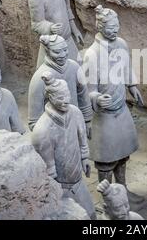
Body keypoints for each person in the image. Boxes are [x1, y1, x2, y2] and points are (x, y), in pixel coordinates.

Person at [83, 5, 144, 205]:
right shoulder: (92, 55)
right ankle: (107, 199)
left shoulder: (121, 44)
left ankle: (123, 190)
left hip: (120, 110)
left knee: (122, 152)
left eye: (117, 26)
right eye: (110, 27)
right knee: (106, 159)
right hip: (104, 115)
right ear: (99, 26)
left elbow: (126, 68)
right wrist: (96, 98)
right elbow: (87, 88)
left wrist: (132, 85)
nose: (115, 30)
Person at [31, 73, 95, 219]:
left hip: (78, 181)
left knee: (91, 214)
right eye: (60, 98)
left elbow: (82, 137)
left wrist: (85, 158)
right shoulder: (42, 131)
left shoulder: (75, 112)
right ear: (50, 98)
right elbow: (49, 171)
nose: (66, 100)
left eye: (67, 95)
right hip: (61, 188)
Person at [27, 33, 92, 132]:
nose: (62, 55)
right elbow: (34, 121)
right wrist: (50, 135)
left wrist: (87, 120)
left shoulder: (74, 67)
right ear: (47, 51)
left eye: (65, 50)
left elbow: (82, 94)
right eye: (57, 52)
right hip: (54, 132)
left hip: (75, 125)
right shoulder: (39, 78)